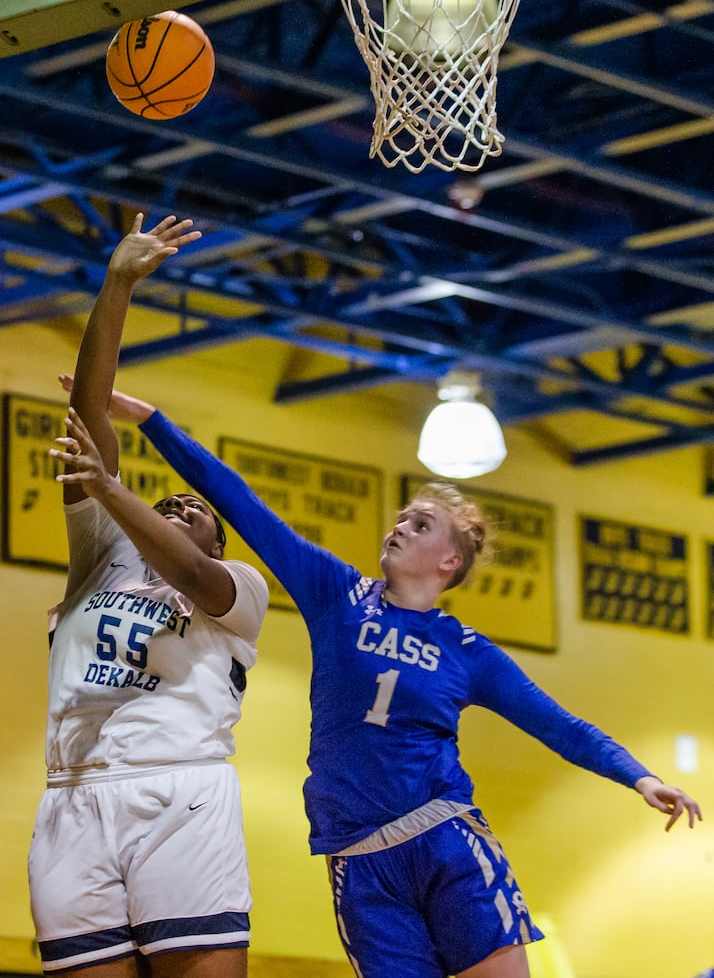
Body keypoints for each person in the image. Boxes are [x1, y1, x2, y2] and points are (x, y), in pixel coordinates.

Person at [58, 222, 702, 978]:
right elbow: (249, 508)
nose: (400, 524)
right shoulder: (337, 594)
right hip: (360, 860)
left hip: (442, 837)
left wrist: (639, 776)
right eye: (402, 516)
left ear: (449, 561)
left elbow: (557, 725)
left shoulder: (468, 653)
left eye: (420, 524)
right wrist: (157, 425)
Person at [31, 215, 269, 978]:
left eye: (194, 509)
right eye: (165, 502)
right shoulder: (104, 554)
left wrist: (113, 488)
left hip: (181, 791)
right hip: (71, 795)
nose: (177, 505)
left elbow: (191, 576)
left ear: (219, 542)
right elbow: (90, 417)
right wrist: (118, 284)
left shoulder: (238, 591)